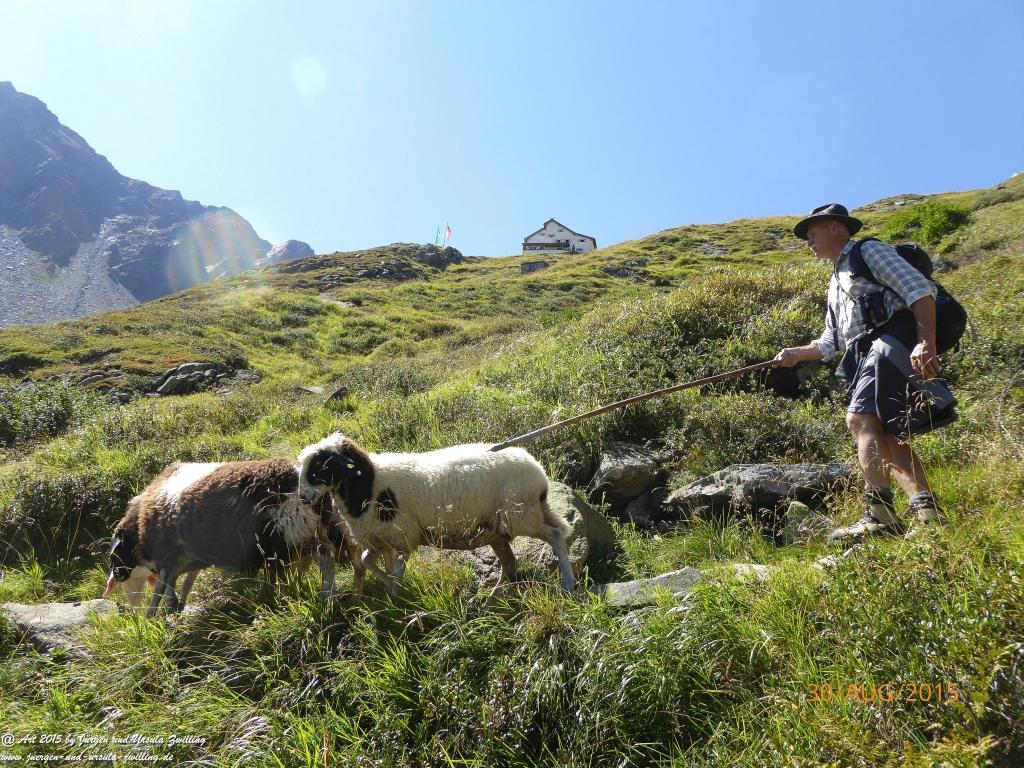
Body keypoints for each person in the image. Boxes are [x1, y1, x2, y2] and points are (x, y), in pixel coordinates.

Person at [775, 203, 957, 543]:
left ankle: (879, 515)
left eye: (811, 233)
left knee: (859, 420)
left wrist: (925, 343)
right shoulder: (835, 281)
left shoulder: (867, 251)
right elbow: (831, 341)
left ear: (834, 228)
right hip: (868, 352)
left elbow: (918, 289)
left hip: (892, 340)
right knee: (887, 433)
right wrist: (796, 354)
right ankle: (928, 517)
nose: (807, 241)